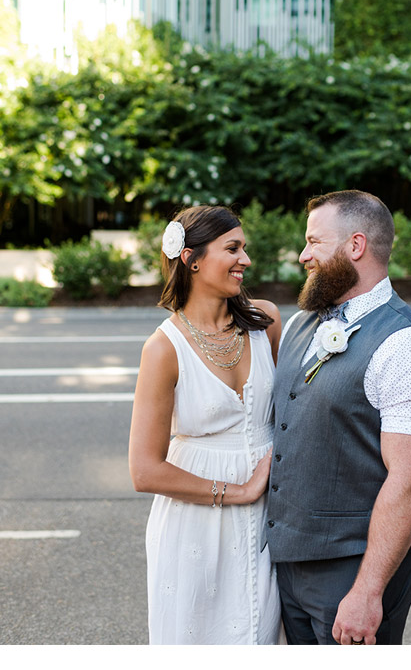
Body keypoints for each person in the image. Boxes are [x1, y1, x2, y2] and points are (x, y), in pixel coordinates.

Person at [264, 189, 411, 645]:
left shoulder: (410, 346)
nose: (302, 254)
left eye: (314, 242)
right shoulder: (299, 323)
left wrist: (368, 591)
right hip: (289, 565)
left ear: (355, 246)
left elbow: (410, 482)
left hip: (354, 572)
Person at [128, 205, 283, 644]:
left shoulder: (265, 323)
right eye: (232, 248)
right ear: (191, 259)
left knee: (262, 635)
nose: (245, 260)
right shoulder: (163, 349)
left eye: (244, 248)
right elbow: (144, 469)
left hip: (268, 519)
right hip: (195, 523)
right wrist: (239, 491)